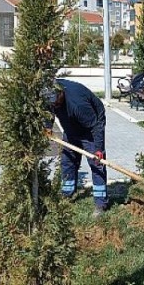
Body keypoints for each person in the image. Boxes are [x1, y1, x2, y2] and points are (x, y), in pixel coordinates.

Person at [43, 79, 108, 218]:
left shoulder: (78, 105)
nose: (55, 104)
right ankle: (67, 195)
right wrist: (48, 126)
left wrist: (98, 149)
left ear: (61, 93)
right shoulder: (49, 92)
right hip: (71, 128)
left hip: (89, 130)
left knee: (97, 164)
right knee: (68, 162)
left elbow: (96, 126)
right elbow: (49, 111)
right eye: (52, 102)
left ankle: (100, 203)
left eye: (56, 101)